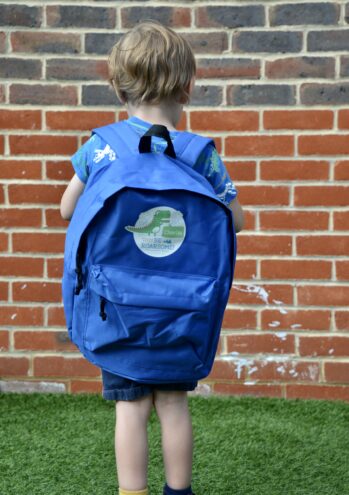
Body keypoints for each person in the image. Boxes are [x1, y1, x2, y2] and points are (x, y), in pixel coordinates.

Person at [60, 19, 244, 495]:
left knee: (131, 408)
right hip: (183, 311)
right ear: (187, 87)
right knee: (174, 407)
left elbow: (67, 209)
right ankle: (178, 492)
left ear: (118, 88)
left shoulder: (101, 148)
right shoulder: (200, 155)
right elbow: (235, 220)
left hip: (117, 310)